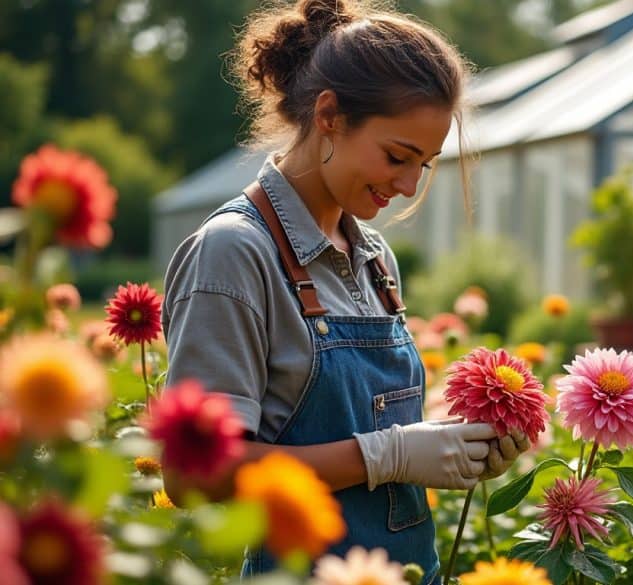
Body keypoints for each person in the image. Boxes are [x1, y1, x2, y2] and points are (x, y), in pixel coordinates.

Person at [160, 0, 529, 581]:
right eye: (397, 157)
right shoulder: (234, 252)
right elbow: (193, 477)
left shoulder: (375, 260)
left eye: (425, 166)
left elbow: (371, 431)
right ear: (329, 115)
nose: (408, 186)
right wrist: (390, 455)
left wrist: (455, 447)